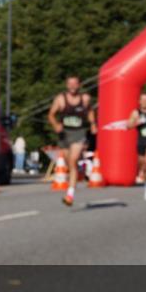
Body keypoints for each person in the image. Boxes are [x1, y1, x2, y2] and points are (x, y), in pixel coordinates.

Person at [47, 75, 96, 207]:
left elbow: (90, 111)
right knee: (70, 163)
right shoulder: (61, 99)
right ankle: (78, 170)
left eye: (75, 84)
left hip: (78, 133)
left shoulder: (85, 99)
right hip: (64, 134)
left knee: (73, 160)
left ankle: (70, 194)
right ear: (67, 85)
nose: (73, 86)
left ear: (79, 85)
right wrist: (55, 124)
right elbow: (51, 114)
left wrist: (92, 124)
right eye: (70, 84)